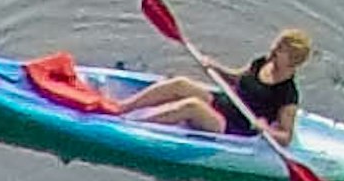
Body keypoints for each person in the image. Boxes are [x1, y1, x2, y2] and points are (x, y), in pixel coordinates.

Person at [119, 27, 315, 142]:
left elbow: (286, 136)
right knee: (181, 83)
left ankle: (132, 127)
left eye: (281, 50)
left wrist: (265, 129)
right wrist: (214, 67)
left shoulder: (287, 94)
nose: (274, 50)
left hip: (234, 127)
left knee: (192, 106)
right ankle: (123, 107)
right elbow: (237, 78)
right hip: (224, 104)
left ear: (292, 61)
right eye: (277, 45)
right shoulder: (262, 62)